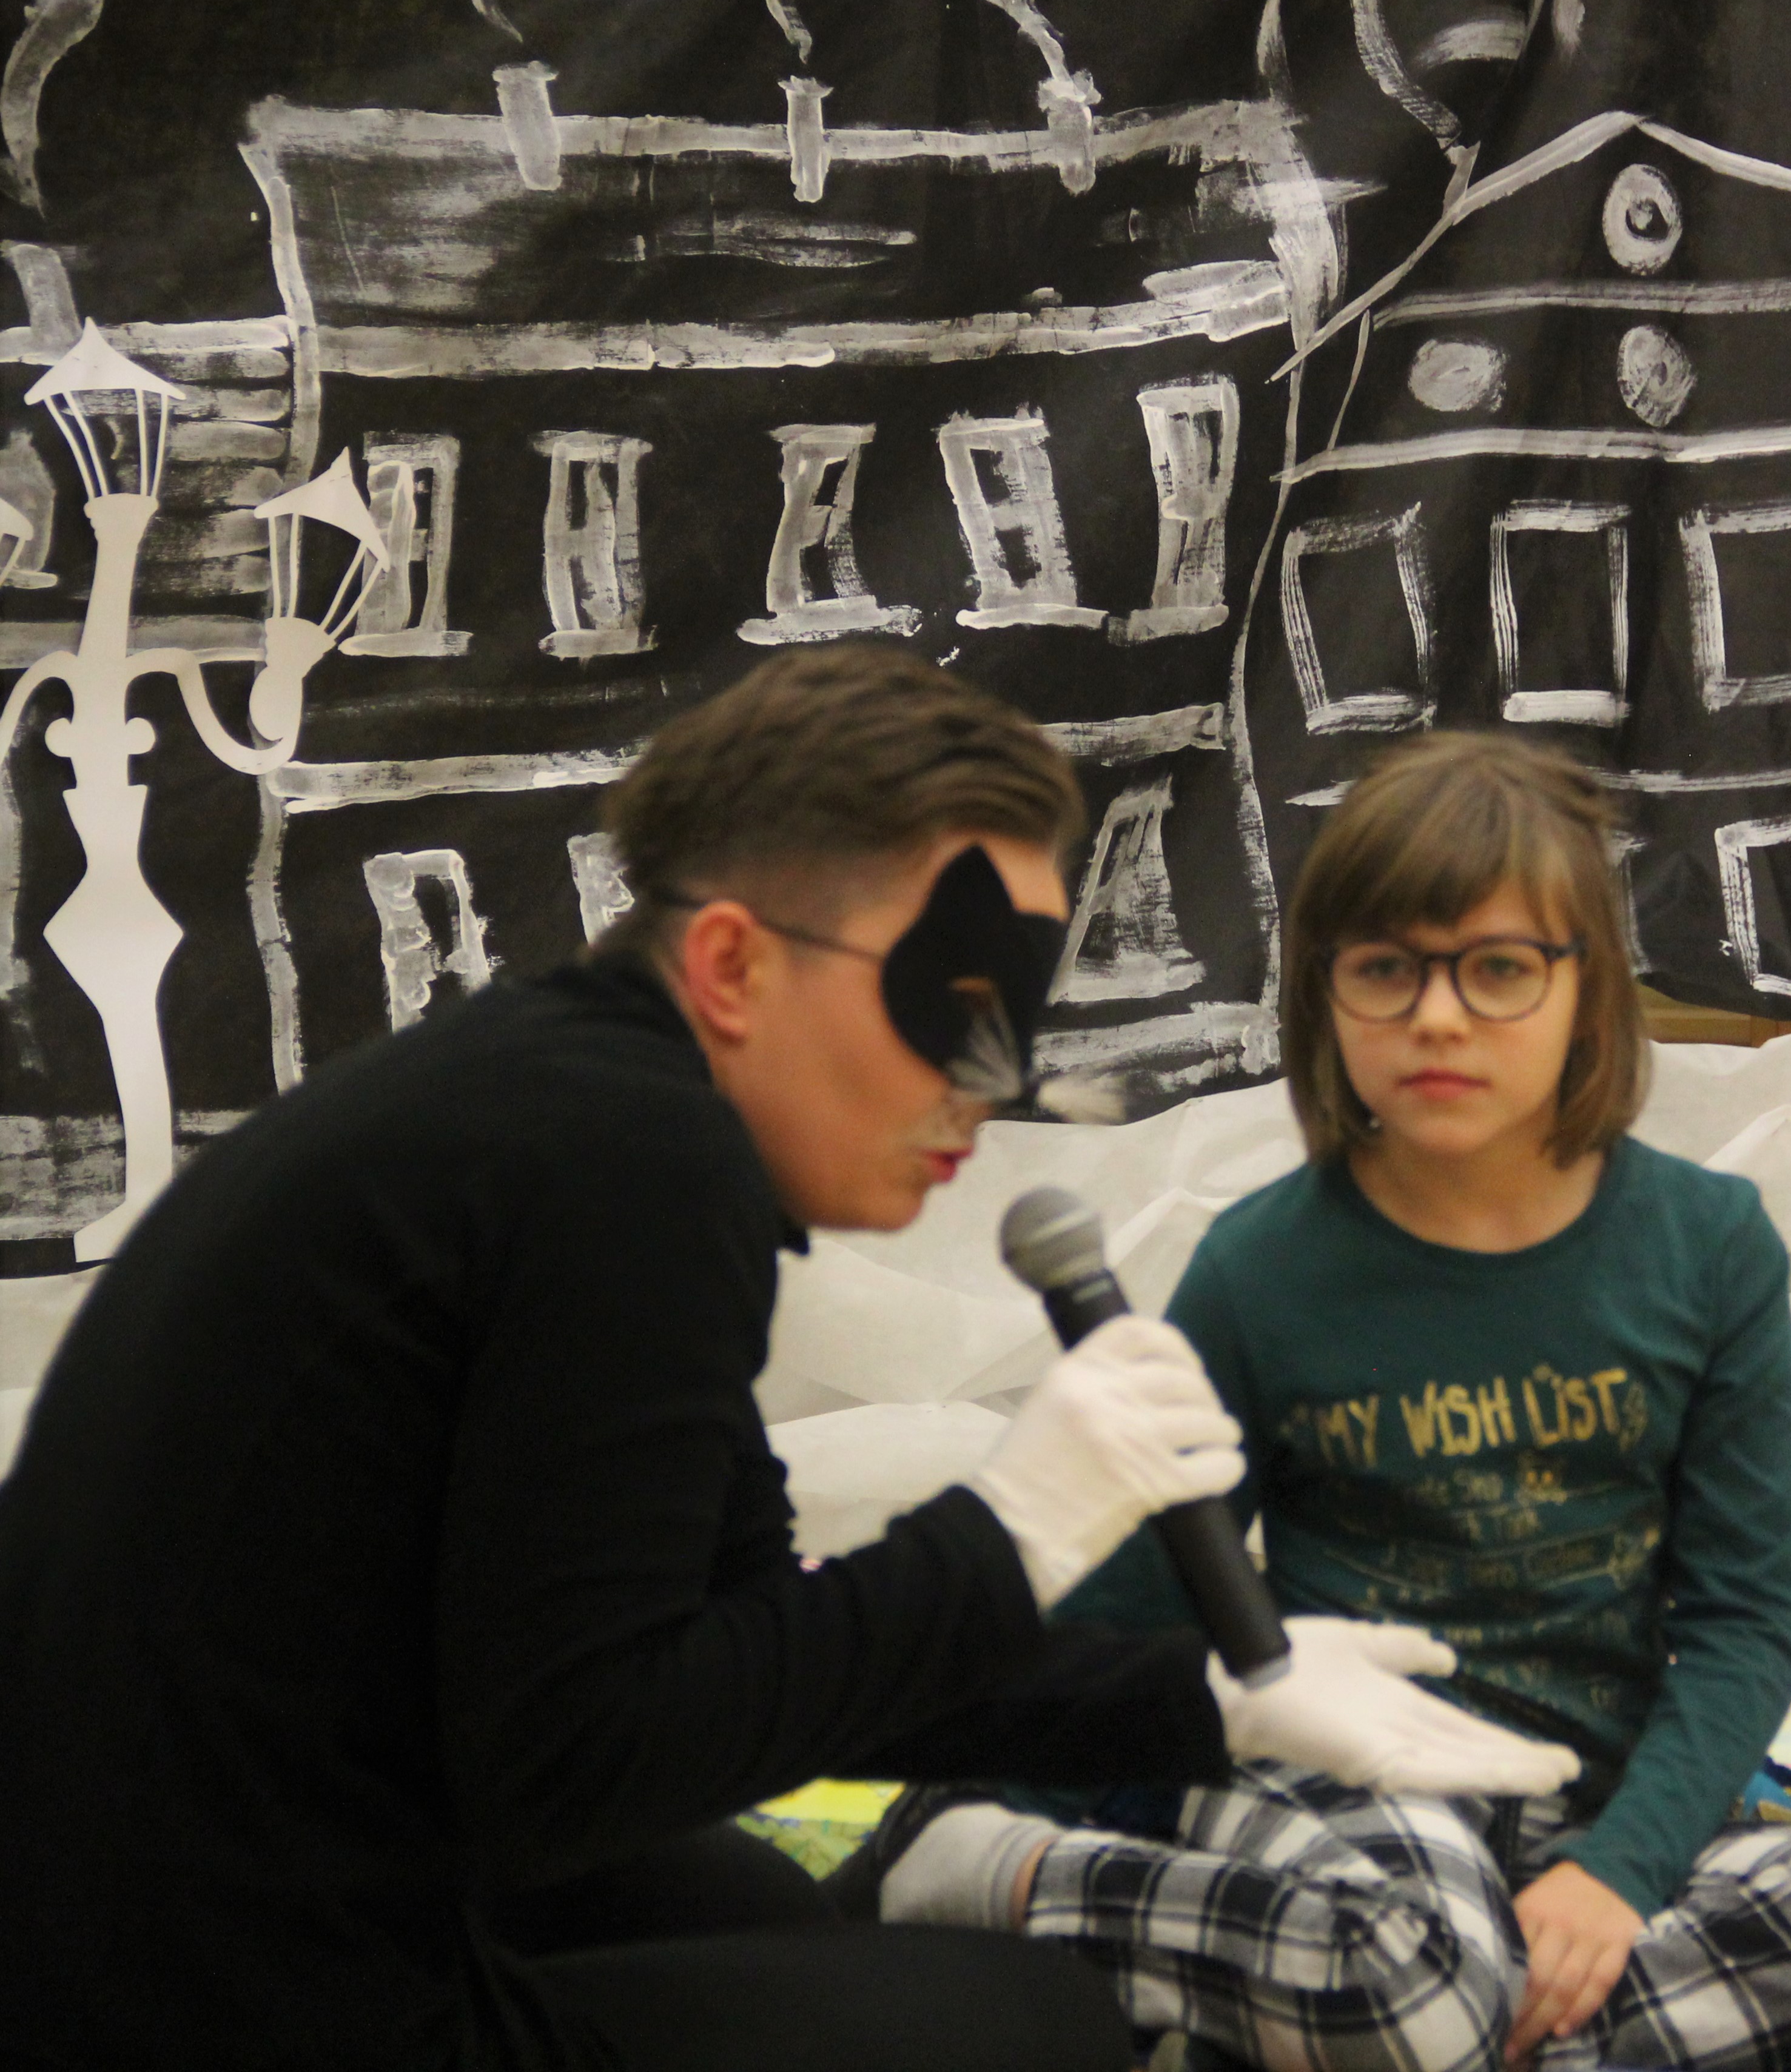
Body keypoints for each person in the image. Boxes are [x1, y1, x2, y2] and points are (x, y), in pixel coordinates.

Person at [0, 646, 1568, 2072]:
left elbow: (750, 1652)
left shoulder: (569, 1099)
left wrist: (1204, 1700)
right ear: (737, 967)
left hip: (188, 1905)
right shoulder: (635, 1160)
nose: (990, 1080)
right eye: (953, 999)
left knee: (763, 1905)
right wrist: (1013, 1528)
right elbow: (586, 1761)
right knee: (1037, 2028)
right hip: (217, 2001)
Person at [860, 733, 1791, 2072]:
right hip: (1348, 1792)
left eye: (1499, 969)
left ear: (1587, 989)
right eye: (1387, 970)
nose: (1439, 1017)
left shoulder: (1710, 1245)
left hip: (1592, 1804)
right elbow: (1146, 1597)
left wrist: (1621, 1875)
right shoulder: (1260, 1267)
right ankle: (1024, 1882)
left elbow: (1746, 1622)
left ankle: (1378, 2026)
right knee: (1412, 1970)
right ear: (1324, 994)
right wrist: (985, 1804)